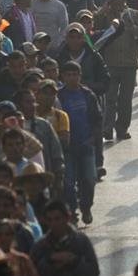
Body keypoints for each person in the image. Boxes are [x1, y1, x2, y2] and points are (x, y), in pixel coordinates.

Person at [94, 0, 138, 139]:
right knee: (110, 98)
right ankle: (108, 128)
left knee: (125, 100)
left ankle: (122, 128)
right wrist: (101, 13)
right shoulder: (104, 15)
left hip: (129, 64)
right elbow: (93, 31)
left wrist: (133, 29)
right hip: (109, 63)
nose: (119, 2)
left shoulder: (134, 15)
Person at [58, 61, 102, 225]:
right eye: (68, 75)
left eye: (75, 74)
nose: (71, 78)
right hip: (67, 148)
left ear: (80, 76)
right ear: (62, 77)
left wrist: (93, 139)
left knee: (89, 180)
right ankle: (72, 213)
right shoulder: (58, 96)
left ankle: (86, 207)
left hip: (86, 145)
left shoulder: (88, 95)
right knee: (68, 183)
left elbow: (98, 119)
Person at [30, 200, 99, 276]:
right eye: (50, 220)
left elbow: (93, 272)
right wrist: (50, 261)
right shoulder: (40, 246)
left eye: (58, 219)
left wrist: (74, 262)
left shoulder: (81, 242)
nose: (54, 223)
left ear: (68, 218)